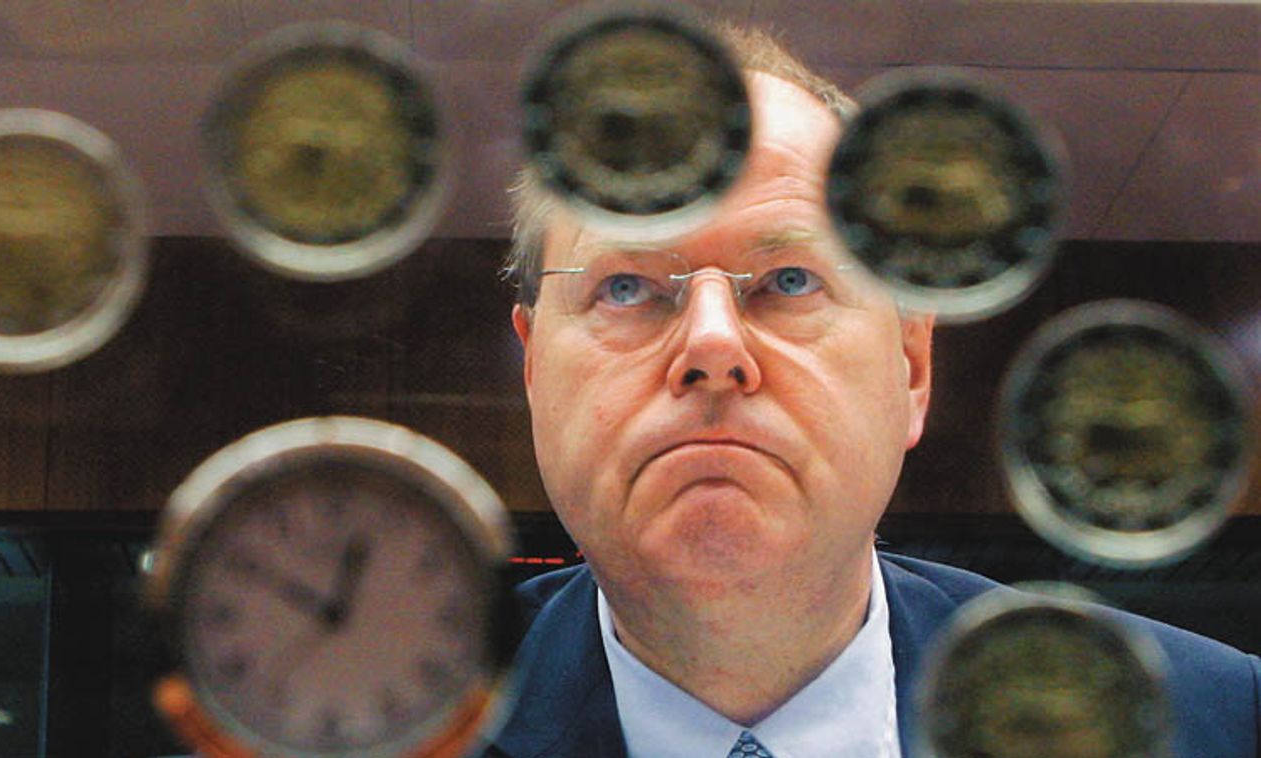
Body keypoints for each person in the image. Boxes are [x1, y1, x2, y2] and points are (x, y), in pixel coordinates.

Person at [483, 22, 1261, 758]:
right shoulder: (384, 721)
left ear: (910, 364)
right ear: (533, 370)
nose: (712, 344)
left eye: (789, 280)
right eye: (626, 287)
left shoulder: (1206, 722)